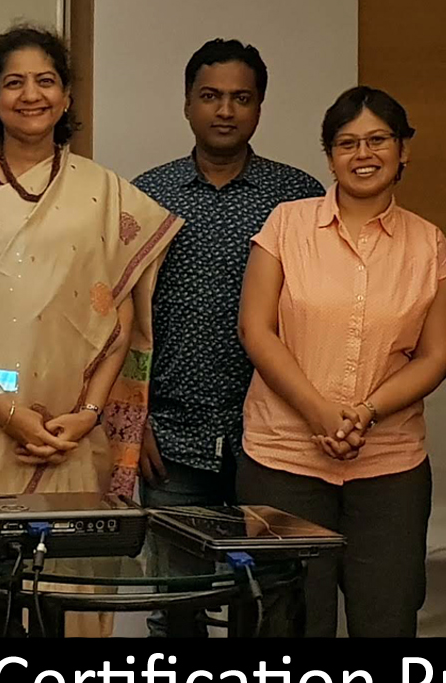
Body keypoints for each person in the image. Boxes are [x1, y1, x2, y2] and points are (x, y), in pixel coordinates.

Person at [0, 26, 181, 592]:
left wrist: (89, 412)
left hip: (70, 424)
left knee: (69, 576)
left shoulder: (101, 191)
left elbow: (117, 316)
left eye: (45, 81)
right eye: (14, 83)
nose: (31, 95)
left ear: (65, 98)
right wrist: (8, 413)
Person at [237, 86, 446, 638]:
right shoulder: (286, 224)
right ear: (330, 155)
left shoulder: (428, 243)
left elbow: (436, 355)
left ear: (403, 150)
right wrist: (319, 412)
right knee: (285, 623)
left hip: (389, 468)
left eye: (378, 140)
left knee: (387, 620)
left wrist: (365, 412)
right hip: (283, 460)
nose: (363, 154)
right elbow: (255, 329)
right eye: (347, 143)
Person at [135, 40, 322, 509]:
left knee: (277, 560)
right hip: (172, 440)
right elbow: (121, 321)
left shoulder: (299, 198)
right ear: (187, 104)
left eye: (241, 98)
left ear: (259, 107)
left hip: (279, 439)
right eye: (210, 96)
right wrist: (132, 419)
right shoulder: (146, 197)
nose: (225, 110)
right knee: (176, 561)